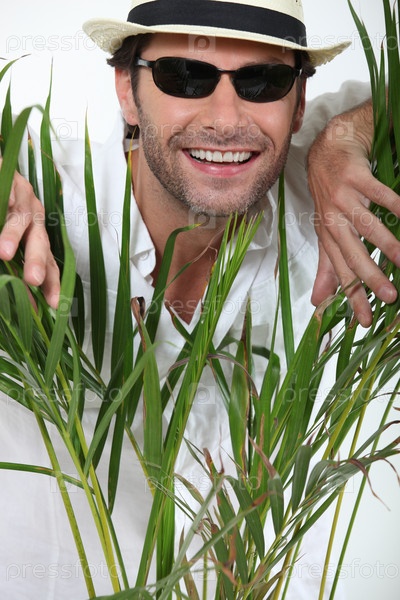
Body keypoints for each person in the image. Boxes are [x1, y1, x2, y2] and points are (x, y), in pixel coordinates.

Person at [0, 0, 398, 598]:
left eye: (263, 81)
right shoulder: (40, 197)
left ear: (298, 105)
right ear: (127, 90)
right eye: (185, 76)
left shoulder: (325, 192)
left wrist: (344, 141)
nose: (226, 118)